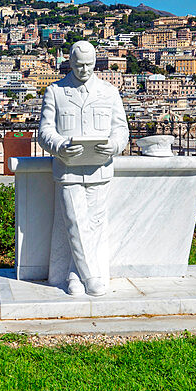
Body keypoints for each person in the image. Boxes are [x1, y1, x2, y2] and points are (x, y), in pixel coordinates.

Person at [37, 41, 128, 297]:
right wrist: (60, 146)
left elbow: (121, 130)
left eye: (89, 65)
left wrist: (113, 146)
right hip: (67, 169)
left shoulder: (109, 92)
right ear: (70, 62)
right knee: (75, 221)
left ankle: (74, 277)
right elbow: (44, 132)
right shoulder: (55, 91)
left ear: (95, 62)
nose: (84, 70)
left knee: (94, 225)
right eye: (79, 65)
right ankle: (91, 278)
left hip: (100, 169)